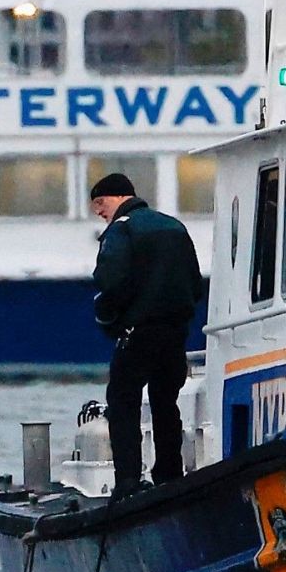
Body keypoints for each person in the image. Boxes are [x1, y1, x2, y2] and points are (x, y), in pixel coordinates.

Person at [90, 172, 202, 500]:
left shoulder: (122, 229)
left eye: (100, 203)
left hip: (138, 332)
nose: (99, 211)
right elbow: (195, 282)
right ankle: (169, 474)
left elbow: (110, 281)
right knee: (165, 402)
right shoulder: (174, 227)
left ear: (118, 197)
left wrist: (110, 318)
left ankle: (128, 482)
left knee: (123, 401)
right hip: (176, 332)